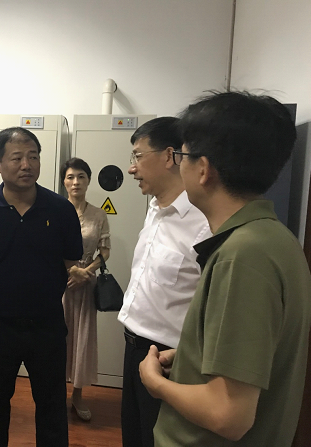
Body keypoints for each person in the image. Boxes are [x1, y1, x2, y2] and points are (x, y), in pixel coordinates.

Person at [139, 91, 311, 446]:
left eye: (182, 156)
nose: (180, 166)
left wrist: (156, 383)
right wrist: (191, 357)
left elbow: (228, 415)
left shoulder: (243, 255)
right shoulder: (275, 239)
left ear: (203, 169)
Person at [0, 127, 83, 446]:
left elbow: (70, 259)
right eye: (17, 158)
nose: (26, 165)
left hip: (48, 325)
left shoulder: (61, 210)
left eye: (33, 156)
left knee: (52, 404)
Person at [118, 116, 211, 447]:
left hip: (169, 361)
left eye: (138, 156)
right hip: (133, 349)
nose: (132, 168)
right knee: (133, 435)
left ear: (170, 156)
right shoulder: (155, 209)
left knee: (158, 439)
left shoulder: (204, 225)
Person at [60, 157, 110, 422]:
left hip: (86, 285)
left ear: (88, 180)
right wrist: (71, 271)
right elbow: (47, 248)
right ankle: (56, 393)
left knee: (82, 339)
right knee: (57, 339)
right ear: (64, 181)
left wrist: (85, 272)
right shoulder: (55, 210)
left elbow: (105, 252)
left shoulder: (99, 215)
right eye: (70, 177)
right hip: (59, 284)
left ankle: (77, 396)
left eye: (81, 176)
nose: (75, 182)